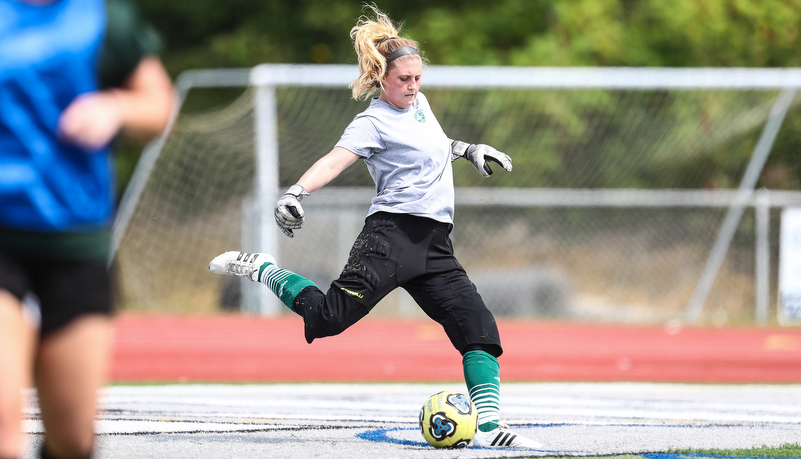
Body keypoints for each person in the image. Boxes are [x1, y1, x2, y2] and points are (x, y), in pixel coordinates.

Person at [209, 4, 542, 450]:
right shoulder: (371, 122)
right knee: (328, 319)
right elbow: (334, 159)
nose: (413, 86)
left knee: (478, 327)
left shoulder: (420, 104)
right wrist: (296, 193)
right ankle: (265, 268)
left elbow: (435, 144)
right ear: (381, 78)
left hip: (435, 246)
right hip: (389, 239)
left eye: (418, 78)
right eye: (404, 79)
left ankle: (487, 426)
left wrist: (468, 149)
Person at [0, 0, 174, 458]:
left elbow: (158, 104)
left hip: (74, 242)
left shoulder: (103, 18)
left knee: (73, 438)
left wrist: (116, 106)